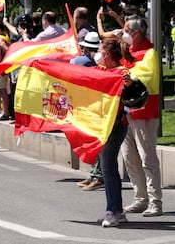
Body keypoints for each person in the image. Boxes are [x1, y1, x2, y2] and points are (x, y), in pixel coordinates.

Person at [120, 15, 163, 217]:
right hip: (126, 112)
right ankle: (140, 198)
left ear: (136, 34)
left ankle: (155, 202)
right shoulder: (127, 52)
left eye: (127, 30)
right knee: (129, 157)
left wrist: (128, 77)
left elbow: (145, 74)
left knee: (147, 158)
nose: (124, 33)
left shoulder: (150, 52)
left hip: (144, 111)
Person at [95, 37, 134, 227]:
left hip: (116, 125)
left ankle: (112, 212)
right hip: (106, 125)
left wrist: (129, 84)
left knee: (108, 168)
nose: (98, 54)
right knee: (109, 167)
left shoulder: (121, 73)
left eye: (100, 50)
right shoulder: (103, 71)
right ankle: (117, 211)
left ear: (107, 54)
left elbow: (132, 94)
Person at [70, 31, 105, 191]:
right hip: (90, 107)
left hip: (92, 108)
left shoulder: (81, 61)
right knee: (94, 142)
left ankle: (97, 176)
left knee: (96, 142)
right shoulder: (86, 62)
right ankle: (95, 175)